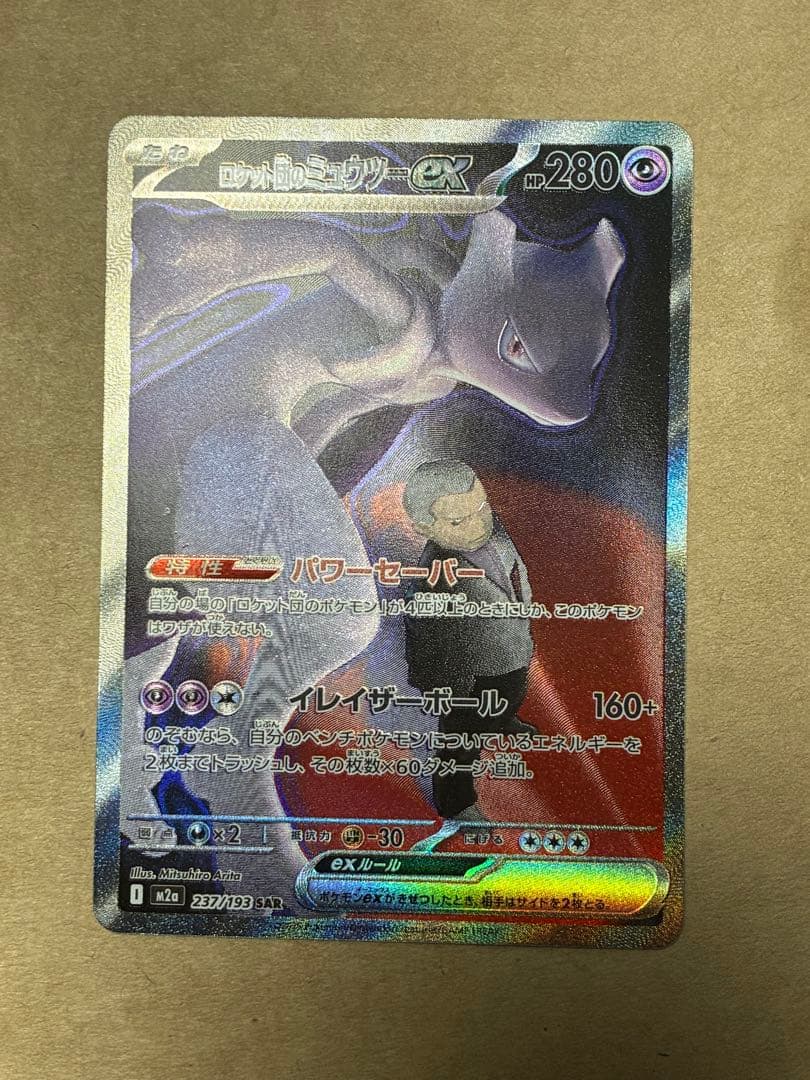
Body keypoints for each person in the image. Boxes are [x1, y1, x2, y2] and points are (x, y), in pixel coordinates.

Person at [402, 460, 536, 821]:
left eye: (482, 509)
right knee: (459, 741)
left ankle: (501, 719)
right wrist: (443, 688)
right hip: (467, 678)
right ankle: (455, 802)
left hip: (512, 649)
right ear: (423, 528)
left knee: (511, 692)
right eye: (459, 522)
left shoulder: (497, 531)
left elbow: (514, 572)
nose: (479, 525)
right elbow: (424, 639)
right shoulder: (430, 580)